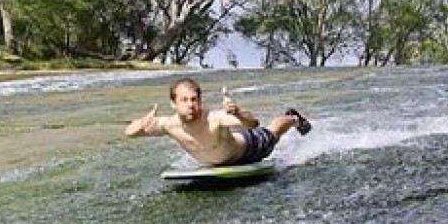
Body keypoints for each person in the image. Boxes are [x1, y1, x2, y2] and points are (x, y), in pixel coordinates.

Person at [124, 77, 311, 167]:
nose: (191, 105)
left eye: (194, 99)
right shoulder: (167, 124)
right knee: (270, 130)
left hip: (249, 149)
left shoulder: (214, 119)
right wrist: (141, 123)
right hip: (220, 161)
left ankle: (294, 118)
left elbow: (252, 123)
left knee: (272, 132)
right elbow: (129, 133)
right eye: (184, 100)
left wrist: (238, 111)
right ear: (173, 103)